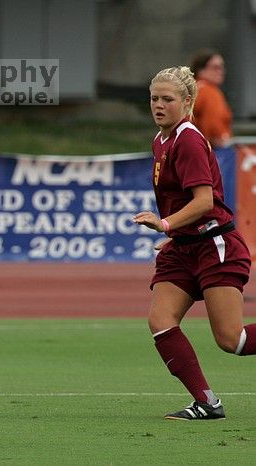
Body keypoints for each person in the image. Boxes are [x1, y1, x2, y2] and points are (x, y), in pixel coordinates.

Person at [133, 66, 253, 420]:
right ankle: (207, 403)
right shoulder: (161, 140)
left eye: (167, 99)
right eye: (154, 98)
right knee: (161, 320)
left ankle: (207, 403)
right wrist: (173, 235)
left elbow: (204, 202)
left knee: (232, 340)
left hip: (215, 244)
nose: (159, 105)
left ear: (187, 102)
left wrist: (166, 224)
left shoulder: (188, 139)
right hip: (184, 247)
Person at [189, 50, 232, 148]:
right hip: (207, 151)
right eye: (215, 68)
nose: (221, 71)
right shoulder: (208, 92)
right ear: (200, 70)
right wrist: (224, 143)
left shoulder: (192, 88)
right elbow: (214, 128)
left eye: (222, 67)